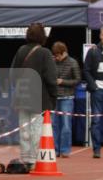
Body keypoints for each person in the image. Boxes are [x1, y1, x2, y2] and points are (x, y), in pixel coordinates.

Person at [10, 22, 57, 172]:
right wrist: (53, 95)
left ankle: (26, 159)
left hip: (22, 96)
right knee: (37, 129)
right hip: (40, 96)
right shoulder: (45, 53)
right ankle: (36, 158)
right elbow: (51, 78)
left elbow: (12, 75)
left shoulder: (20, 50)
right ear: (43, 36)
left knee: (24, 129)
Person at [84, 25, 103, 159]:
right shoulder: (93, 51)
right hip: (98, 91)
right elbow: (86, 70)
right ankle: (96, 149)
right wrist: (94, 86)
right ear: (100, 36)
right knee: (96, 120)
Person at [50, 41, 81, 158]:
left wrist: (63, 82)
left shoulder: (73, 63)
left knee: (66, 125)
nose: (56, 57)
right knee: (53, 125)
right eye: (55, 55)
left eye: (58, 55)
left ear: (64, 53)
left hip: (67, 97)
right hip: (54, 98)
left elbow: (77, 80)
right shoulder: (52, 62)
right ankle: (55, 150)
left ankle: (65, 150)